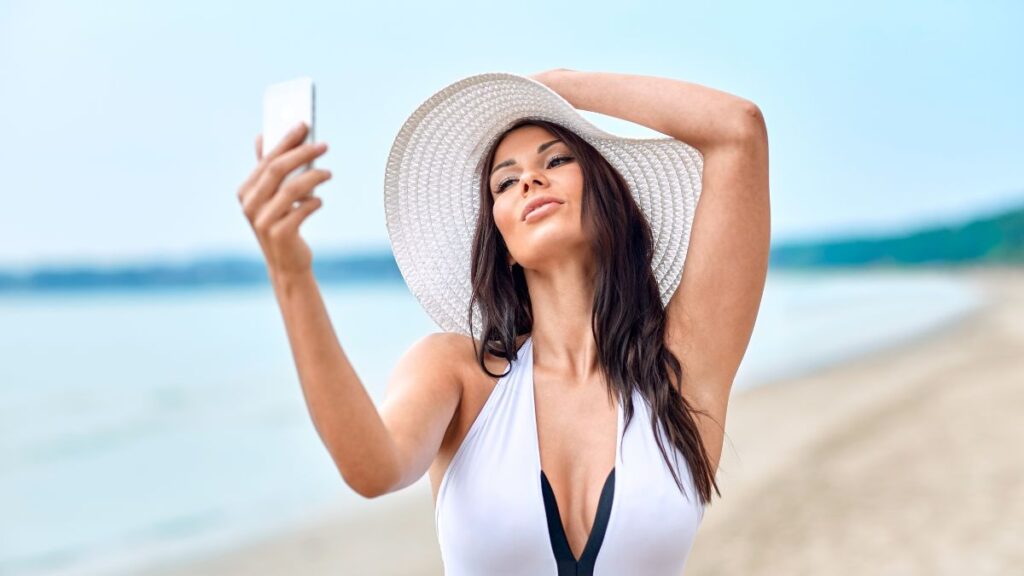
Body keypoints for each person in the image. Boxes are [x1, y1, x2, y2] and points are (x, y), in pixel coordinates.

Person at [236, 69, 770, 575]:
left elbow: (737, 129)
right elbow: (372, 469)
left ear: (611, 200)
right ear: (505, 246)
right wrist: (291, 275)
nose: (529, 180)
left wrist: (558, 87)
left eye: (556, 160)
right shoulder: (458, 374)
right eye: (504, 182)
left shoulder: (679, 366)